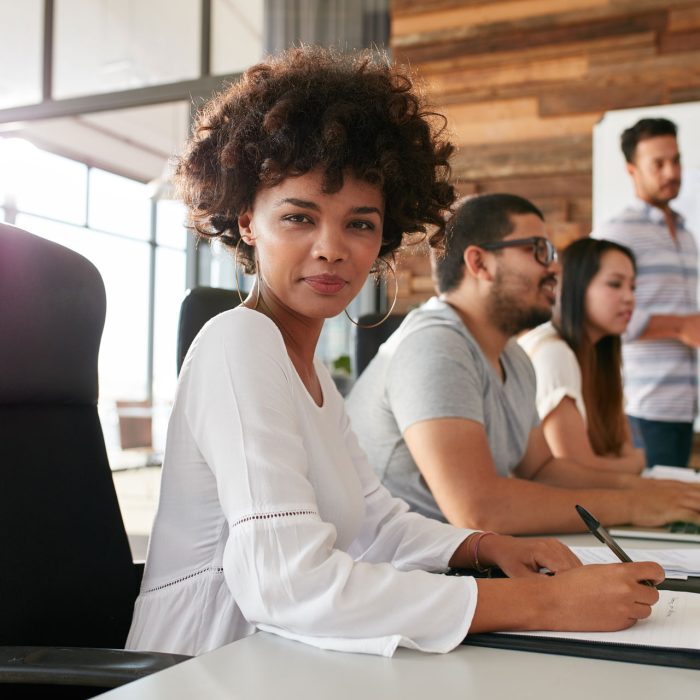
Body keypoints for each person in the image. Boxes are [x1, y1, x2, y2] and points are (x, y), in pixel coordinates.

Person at [126, 47, 664, 659]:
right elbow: (286, 583)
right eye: (300, 217)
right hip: (204, 666)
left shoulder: (313, 370)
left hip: (285, 656)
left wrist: (483, 547)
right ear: (248, 221)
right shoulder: (237, 342)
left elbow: (375, 521)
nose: (332, 248)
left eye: (359, 224)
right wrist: (546, 603)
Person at [346, 193, 700, 535]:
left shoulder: (513, 356)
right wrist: (635, 506)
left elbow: (542, 469)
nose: (556, 268)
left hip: (455, 563)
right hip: (403, 575)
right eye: (539, 250)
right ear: (480, 263)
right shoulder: (434, 346)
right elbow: (478, 509)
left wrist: (648, 491)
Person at [592, 118, 699, 468]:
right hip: (645, 406)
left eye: (677, 160)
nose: (672, 171)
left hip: (686, 405)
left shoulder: (685, 233)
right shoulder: (616, 232)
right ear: (632, 169)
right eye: (659, 163)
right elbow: (594, 308)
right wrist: (679, 327)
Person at [519, 237, 645, 474]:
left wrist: (631, 462)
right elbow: (577, 470)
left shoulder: (600, 353)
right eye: (615, 284)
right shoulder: (553, 352)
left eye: (633, 287)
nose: (629, 298)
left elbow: (621, 447)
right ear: (576, 286)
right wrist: (635, 463)